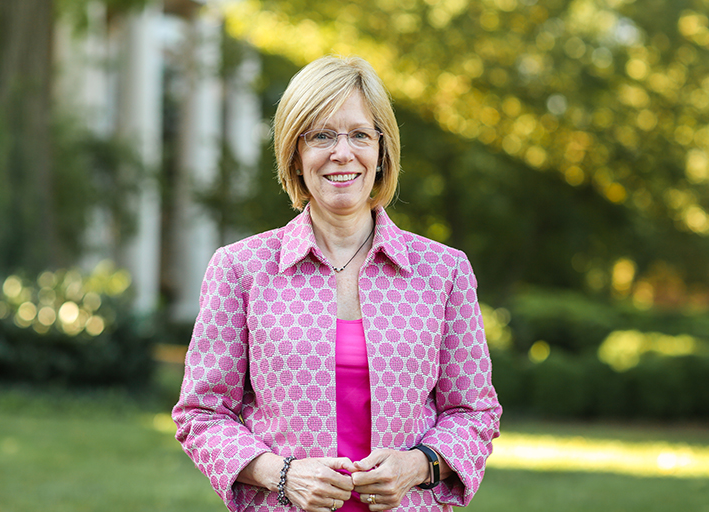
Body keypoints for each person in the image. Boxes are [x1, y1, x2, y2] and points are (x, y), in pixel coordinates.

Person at [173, 55, 501, 512]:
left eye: (360, 135)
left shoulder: (443, 271)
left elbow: (474, 413)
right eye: (322, 135)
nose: (342, 153)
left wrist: (418, 466)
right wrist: (282, 474)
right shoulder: (241, 268)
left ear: (382, 150)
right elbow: (201, 414)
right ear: (295, 151)